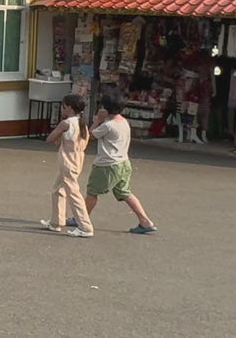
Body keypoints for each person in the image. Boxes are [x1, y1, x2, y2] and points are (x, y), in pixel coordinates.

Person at [87, 92, 157, 234]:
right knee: (125, 192)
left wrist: (97, 120)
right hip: (123, 163)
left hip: (107, 165)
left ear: (105, 108)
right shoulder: (124, 122)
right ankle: (145, 221)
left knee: (92, 192)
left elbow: (90, 135)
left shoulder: (108, 125)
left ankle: (81, 218)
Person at [40, 93, 93, 237]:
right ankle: (56, 222)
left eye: (63, 106)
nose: (62, 109)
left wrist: (59, 136)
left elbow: (50, 139)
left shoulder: (66, 123)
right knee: (58, 189)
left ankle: (85, 226)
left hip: (67, 160)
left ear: (69, 107)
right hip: (78, 158)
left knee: (73, 193)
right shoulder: (82, 123)